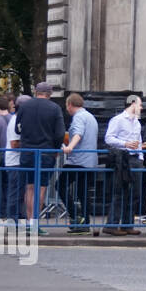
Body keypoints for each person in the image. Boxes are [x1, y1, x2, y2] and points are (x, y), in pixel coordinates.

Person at [15, 83, 66, 227]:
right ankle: (35, 223)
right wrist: (56, 149)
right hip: (46, 152)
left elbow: (17, 129)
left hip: (27, 152)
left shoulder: (24, 106)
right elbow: (60, 134)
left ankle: (29, 221)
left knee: (29, 187)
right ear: (50, 93)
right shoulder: (54, 108)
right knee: (41, 188)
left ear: (36, 92)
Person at [102, 95, 146, 235]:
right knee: (120, 192)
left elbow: (138, 140)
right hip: (122, 159)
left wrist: (140, 157)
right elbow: (108, 138)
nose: (141, 107)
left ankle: (127, 225)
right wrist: (125, 144)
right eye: (140, 104)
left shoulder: (137, 123)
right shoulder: (118, 120)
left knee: (135, 193)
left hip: (135, 159)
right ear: (132, 103)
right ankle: (112, 225)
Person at [59, 93, 99, 234]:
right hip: (90, 161)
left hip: (78, 160)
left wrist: (70, 147)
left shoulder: (78, 117)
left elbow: (78, 134)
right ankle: (85, 223)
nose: (67, 109)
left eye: (66, 106)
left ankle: (75, 215)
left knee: (60, 185)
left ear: (70, 104)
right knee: (83, 192)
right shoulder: (90, 116)